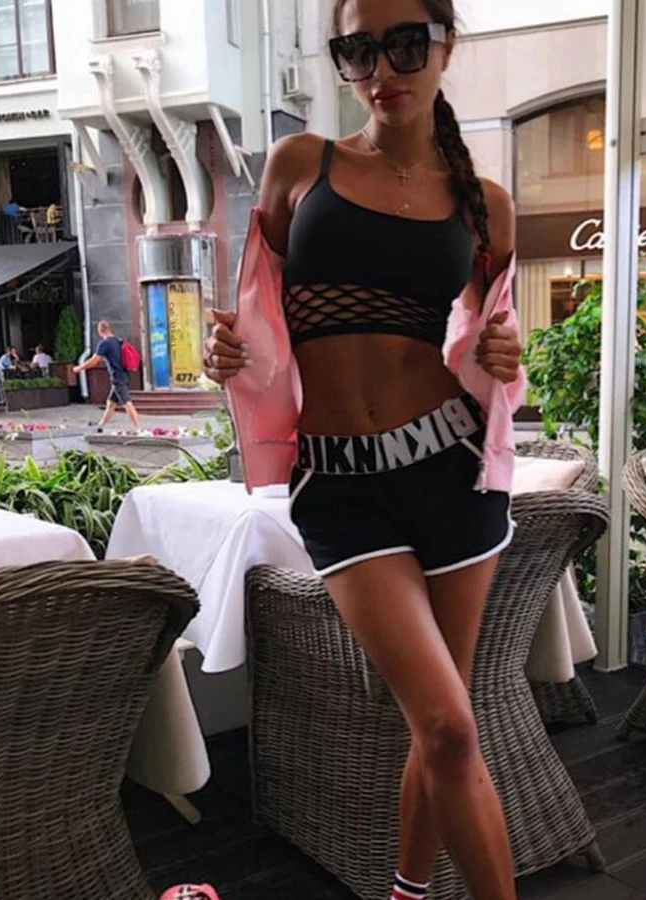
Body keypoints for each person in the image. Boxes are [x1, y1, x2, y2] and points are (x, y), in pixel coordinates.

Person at [205, 3, 524, 899]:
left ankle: (405, 893)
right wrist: (224, 351)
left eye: (407, 44)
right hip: (341, 486)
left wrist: (504, 351)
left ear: (446, 45)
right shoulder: (301, 164)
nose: (382, 69)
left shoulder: (486, 204)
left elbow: (490, 336)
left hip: (453, 472)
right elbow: (255, 311)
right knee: (449, 726)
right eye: (357, 49)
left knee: (442, 725)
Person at [73, 320, 140, 431]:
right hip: (124, 375)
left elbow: (94, 361)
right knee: (111, 403)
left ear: (100, 331)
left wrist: (79, 368)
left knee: (127, 403)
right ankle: (101, 426)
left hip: (117, 378)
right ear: (109, 329)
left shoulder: (104, 344)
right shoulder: (118, 341)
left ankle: (139, 428)